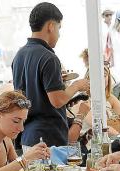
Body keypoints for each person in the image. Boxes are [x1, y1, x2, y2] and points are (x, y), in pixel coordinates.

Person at [12, 2, 89, 147]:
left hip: (27, 135)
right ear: (50, 26)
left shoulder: (19, 55)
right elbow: (57, 100)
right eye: (59, 28)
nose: (59, 34)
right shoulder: (49, 58)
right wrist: (77, 85)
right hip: (48, 139)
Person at [75, 65, 120, 137]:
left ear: (108, 78)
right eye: (97, 75)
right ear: (89, 77)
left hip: (112, 141)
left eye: (104, 75)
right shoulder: (82, 100)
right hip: (90, 143)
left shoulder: (110, 98)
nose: (101, 78)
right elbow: (101, 127)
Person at [109, 10, 120, 83]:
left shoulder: (112, 31)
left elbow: (111, 48)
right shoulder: (113, 32)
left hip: (119, 59)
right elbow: (111, 48)